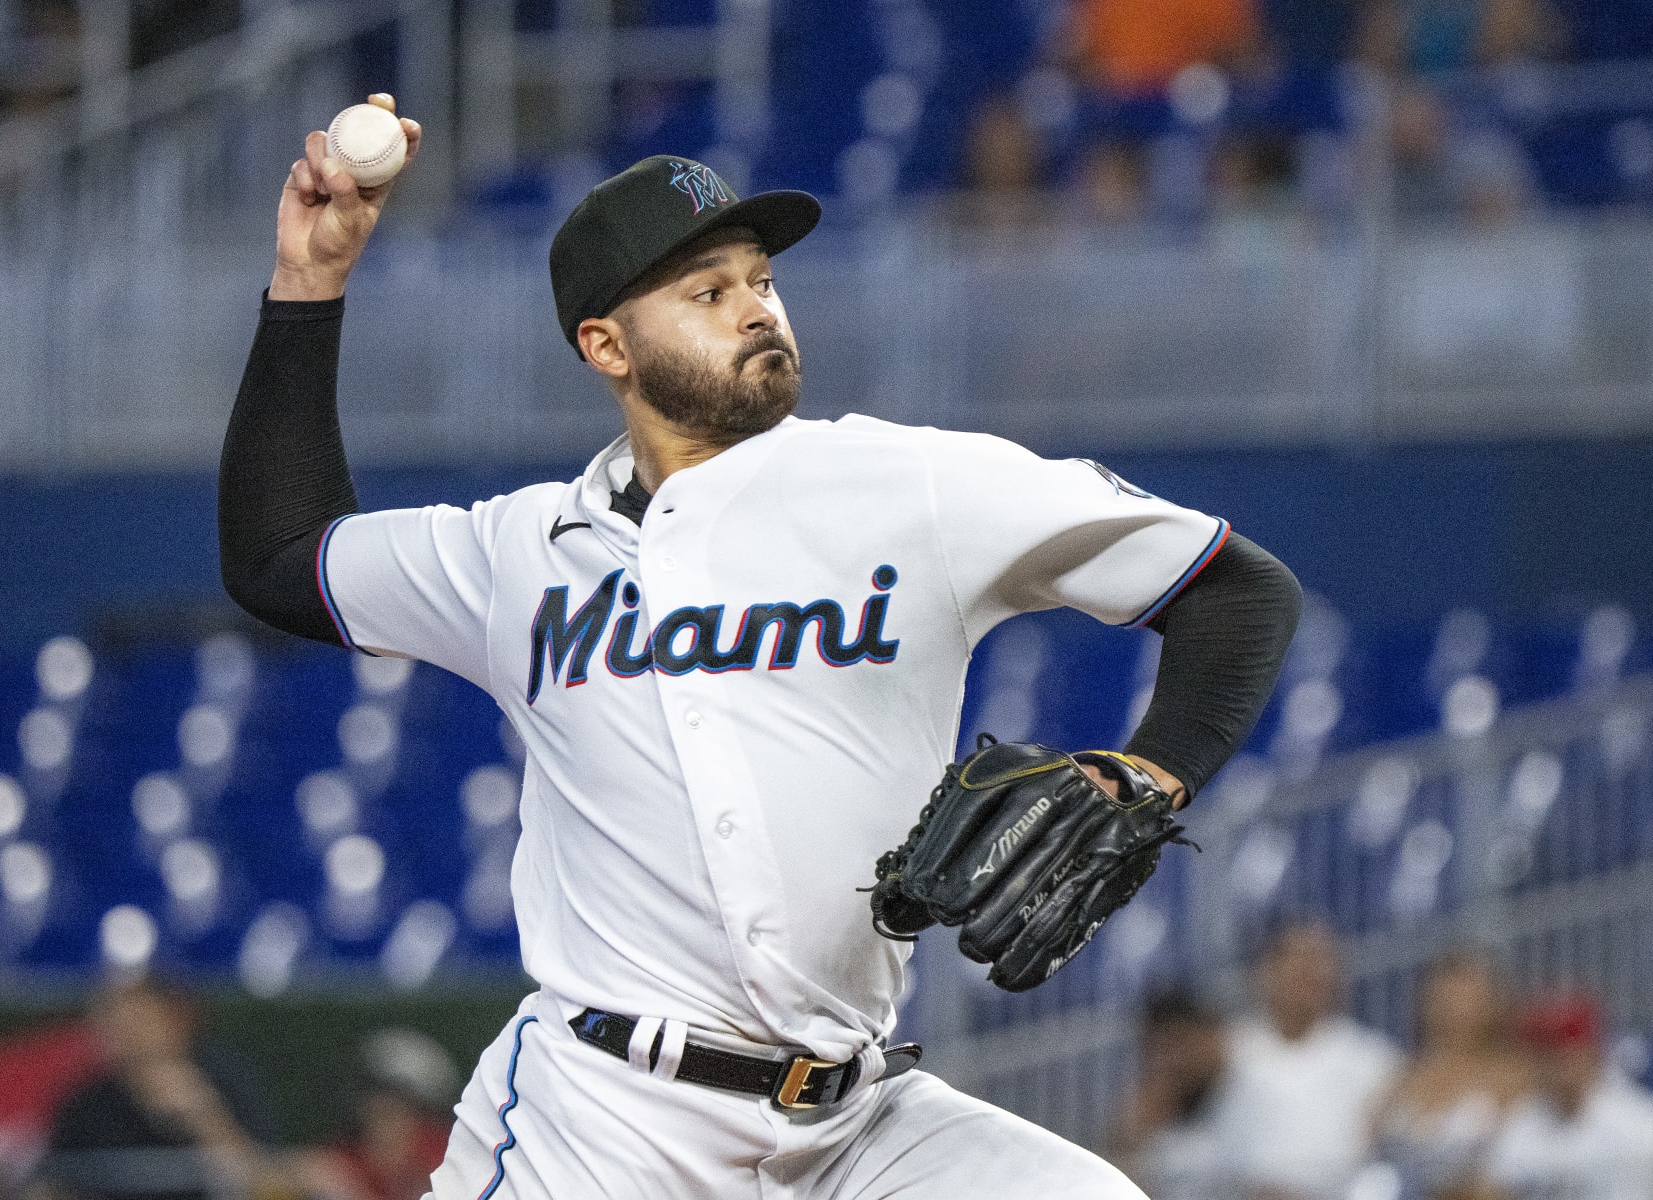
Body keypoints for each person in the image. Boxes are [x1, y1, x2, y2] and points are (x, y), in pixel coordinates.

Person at [218, 93, 1302, 1198]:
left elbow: (1234, 588)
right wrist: (311, 283)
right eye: (708, 290)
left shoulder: (907, 484)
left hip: (859, 1123)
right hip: (601, 1124)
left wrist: (1145, 770)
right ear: (606, 344)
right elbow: (280, 560)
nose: (755, 309)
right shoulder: (516, 553)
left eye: (763, 282)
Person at [38, 977, 288, 1200]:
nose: (124, 1031)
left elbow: (268, 1183)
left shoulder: (222, 1076)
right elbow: (51, 1181)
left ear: (172, 1020)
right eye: (110, 1016)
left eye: (137, 1017)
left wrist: (204, 1119)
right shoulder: (87, 1101)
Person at [1211, 921, 1402, 1199]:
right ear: (1265, 973)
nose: (1306, 976)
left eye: (1316, 964)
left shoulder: (1372, 1057)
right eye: (1295, 965)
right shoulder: (1226, 1052)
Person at [1372, 951, 1533, 1200]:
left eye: (1468, 996)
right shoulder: (1402, 1076)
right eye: (1447, 995)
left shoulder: (1514, 1076)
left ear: (1493, 1002)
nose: (1456, 1008)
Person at [1484, 990, 1653, 1200]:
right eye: (1546, 1050)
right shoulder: (1519, 1123)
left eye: (1567, 1048)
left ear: (1591, 1050)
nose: (1558, 1062)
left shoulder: (1639, 1123)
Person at [296, 1030, 455, 1200]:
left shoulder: (444, 1153)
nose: (382, 1107)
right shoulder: (351, 1154)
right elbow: (293, 1172)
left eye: (399, 1099)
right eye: (375, 1094)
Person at [1112, 989, 1233, 1200]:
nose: (1174, 1061)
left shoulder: (1248, 1086)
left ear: (1210, 1037)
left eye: (1181, 1043)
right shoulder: (1148, 1110)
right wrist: (1129, 1141)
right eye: (1162, 1049)